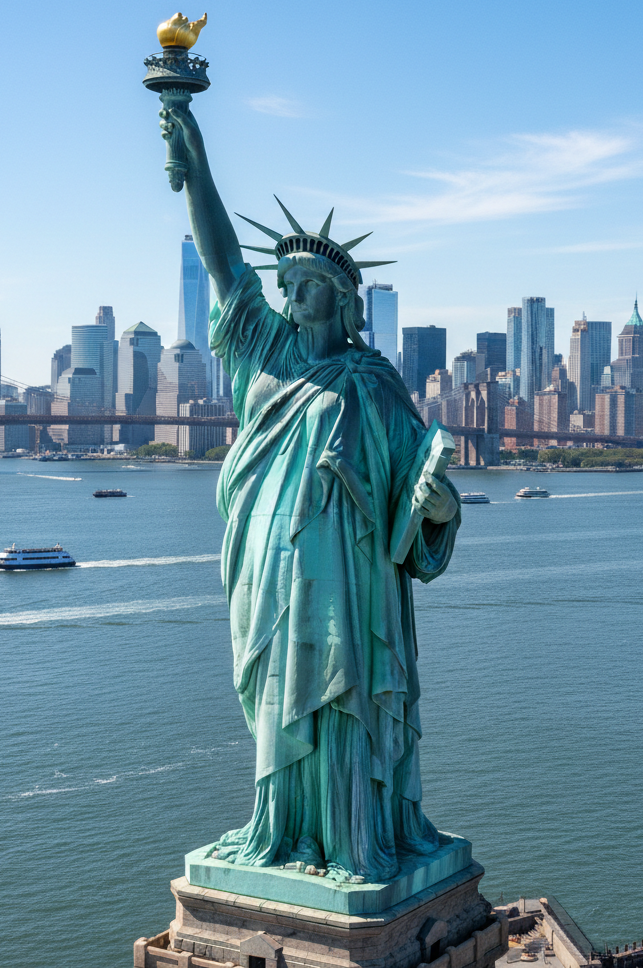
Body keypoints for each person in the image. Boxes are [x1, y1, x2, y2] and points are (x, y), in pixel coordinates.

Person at [161, 104, 461, 882]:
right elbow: (224, 259)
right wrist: (193, 151)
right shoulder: (262, 349)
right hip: (271, 567)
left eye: (305, 283)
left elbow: (418, 491)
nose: (290, 292)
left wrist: (436, 508)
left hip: (354, 584)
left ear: (339, 295)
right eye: (285, 281)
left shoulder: (374, 382)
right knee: (278, 696)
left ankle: (355, 836)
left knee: (345, 699)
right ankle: (284, 831)